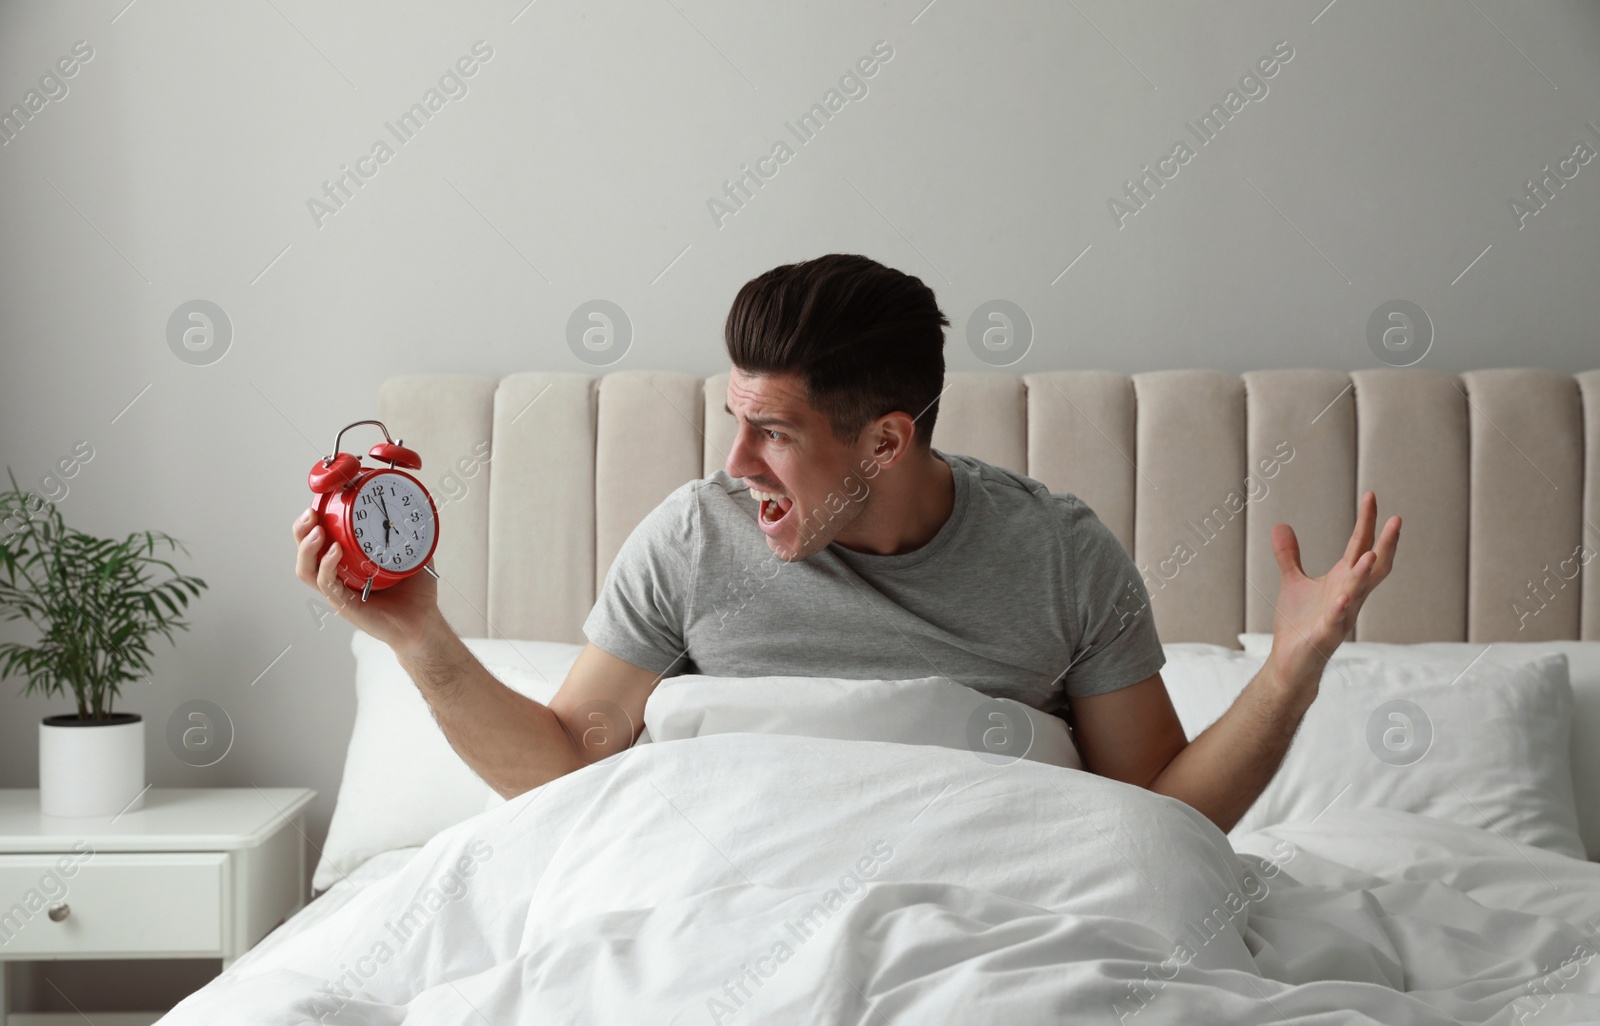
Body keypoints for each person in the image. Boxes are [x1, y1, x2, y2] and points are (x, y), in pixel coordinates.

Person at [291, 253, 1401, 833]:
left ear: (883, 438)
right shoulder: (690, 541)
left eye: (770, 432)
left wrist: (1291, 668)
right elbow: (570, 770)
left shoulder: (1058, 556)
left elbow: (1160, 814)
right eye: (736, 420)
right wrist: (420, 638)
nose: (735, 464)